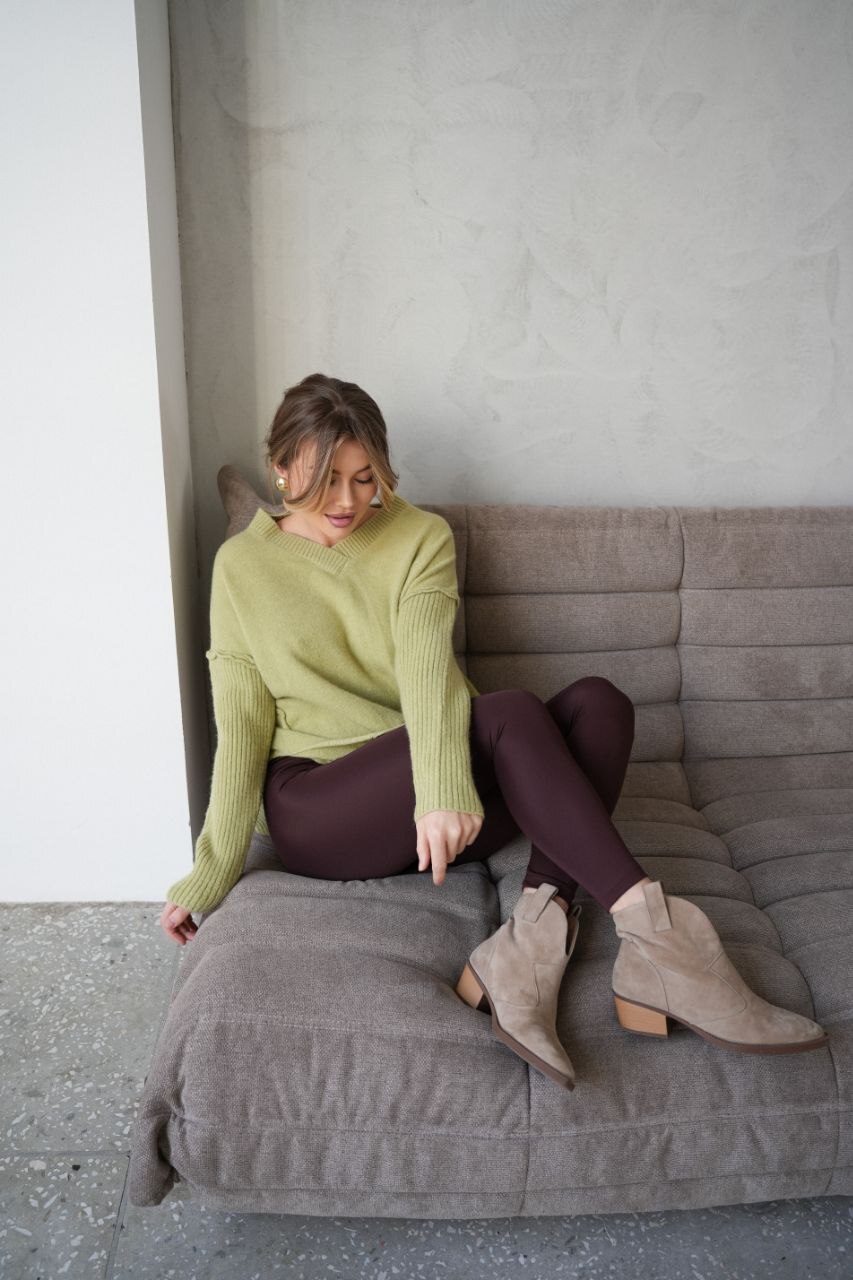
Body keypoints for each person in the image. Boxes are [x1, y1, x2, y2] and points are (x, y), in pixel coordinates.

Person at [160, 372, 828, 1090]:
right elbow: (241, 726)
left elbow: (428, 672)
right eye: (326, 480)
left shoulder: (418, 536)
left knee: (600, 704)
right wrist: (208, 874)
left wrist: (441, 792)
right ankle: (664, 939)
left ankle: (528, 949)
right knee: (508, 710)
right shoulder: (243, 566)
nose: (348, 501)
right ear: (281, 468)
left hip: (435, 813)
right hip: (321, 809)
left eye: (364, 478)